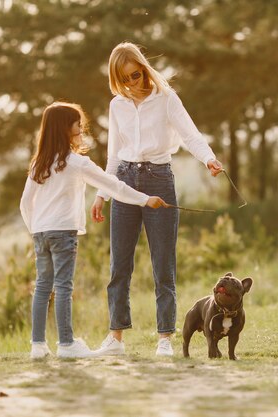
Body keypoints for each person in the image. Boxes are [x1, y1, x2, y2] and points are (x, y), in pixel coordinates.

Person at [90, 42, 223, 357]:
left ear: (144, 69)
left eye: (135, 75)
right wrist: (101, 194)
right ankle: (115, 339)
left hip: (158, 180)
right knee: (119, 265)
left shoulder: (166, 99)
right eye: (124, 80)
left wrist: (209, 159)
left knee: (163, 264)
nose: (132, 84)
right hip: (123, 181)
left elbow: (190, 134)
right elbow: (112, 155)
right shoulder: (117, 105)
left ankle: (164, 338)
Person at [20, 101, 166, 359]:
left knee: (43, 286)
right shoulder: (75, 162)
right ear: (65, 129)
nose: (80, 128)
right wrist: (145, 199)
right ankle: (66, 344)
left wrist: (35, 228)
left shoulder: (38, 164)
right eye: (77, 124)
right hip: (63, 232)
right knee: (63, 286)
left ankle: (37, 346)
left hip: (41, 232)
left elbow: (25, 203)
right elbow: (113, 185)